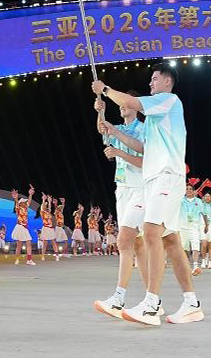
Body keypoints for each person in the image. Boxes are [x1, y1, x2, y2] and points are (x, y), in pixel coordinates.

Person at [92, 62, 203, 325]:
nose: (150, 83)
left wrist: (104, 89)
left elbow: (131, 102)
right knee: (171, 241)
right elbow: (140, 146)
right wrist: (113, 129)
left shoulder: (169, 101)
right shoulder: (155, 119)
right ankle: (191, 304)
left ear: (167, 81)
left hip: (166, 176)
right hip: (154, 181)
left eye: (154, 79)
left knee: (150, 233)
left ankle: (152, 305)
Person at [92, 88, 150, 319]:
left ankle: (118, 298)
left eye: (126, 103)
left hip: (140, 189)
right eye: (120, 104)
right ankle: (152, 299)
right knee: (138, 245)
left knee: (124, 241)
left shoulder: (144, 129)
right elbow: (102, 129)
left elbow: (145, 160)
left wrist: (119, 152)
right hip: (122, 189)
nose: (122, 106)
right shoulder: (119, 128)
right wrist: (100, 111)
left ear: (135, 106)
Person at [179, 183, 208, 275]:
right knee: (184, 248)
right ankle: (186, 264)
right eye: (187, 189)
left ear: (194, 191)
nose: (188, 190)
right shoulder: (180, 200)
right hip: (183, 227)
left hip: (194, 227)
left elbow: (204, 214)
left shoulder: (198, 201)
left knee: (195, 247)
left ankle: (195, 265)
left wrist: (206, 225)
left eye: (190, 189)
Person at [11, 186, 36, 266]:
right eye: (24, 202)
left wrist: (30, 194)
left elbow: (29, 201)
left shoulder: (26, 208)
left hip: (25, 227)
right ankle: (17, 259)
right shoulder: (18, 208)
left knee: (29, 242)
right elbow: (16, 203)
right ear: (20, 203)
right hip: (20, 227)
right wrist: (16, 198)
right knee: (19, 244)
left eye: (25, 202)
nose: (25, 203)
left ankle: (29, 260)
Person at [38, 194, 60, 261]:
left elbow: (50, 207)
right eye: (45, 205)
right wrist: (43, 200)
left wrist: (49, 201)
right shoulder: (42, 212)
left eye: (46, 205)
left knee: (53, 242)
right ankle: (42, 256)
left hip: (51, 228)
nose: (46, 206)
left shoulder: (48, 212)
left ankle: (57, 256)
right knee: (45, 243)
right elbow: (42, 207)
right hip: (45, 228)